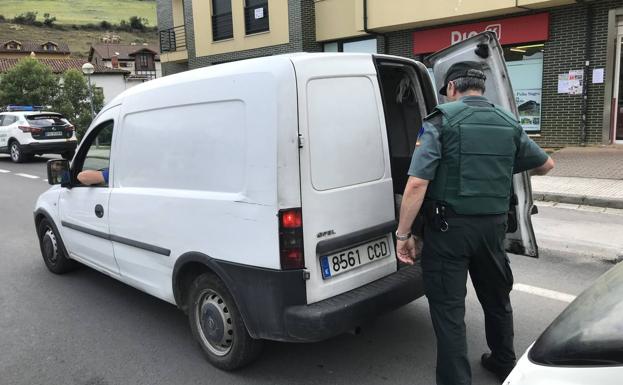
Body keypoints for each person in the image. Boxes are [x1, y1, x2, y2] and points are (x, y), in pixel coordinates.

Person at [395, 62, 554, 385]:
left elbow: (416, 185)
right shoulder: (508, 121)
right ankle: (503, 362)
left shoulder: (440, 121)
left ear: (452, 87)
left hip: (449, 232)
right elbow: (546, 164)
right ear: (481, 88)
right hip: (493, 230)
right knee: (497, 299)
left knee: (449, 311)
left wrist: (403, 234)